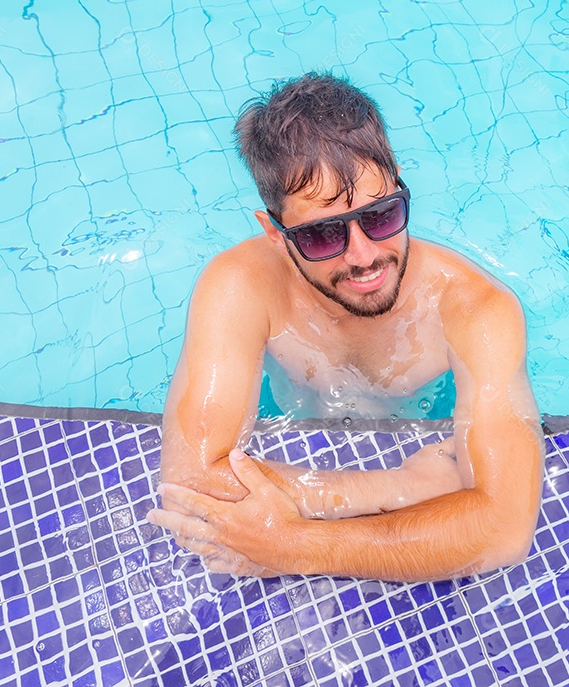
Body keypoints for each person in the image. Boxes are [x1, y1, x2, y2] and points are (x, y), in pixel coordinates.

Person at [145, 73, 543, 581]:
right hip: (345, 448)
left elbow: (505, 527)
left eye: (381, 216)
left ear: (399, 185)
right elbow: (189, 483)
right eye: (323, 234)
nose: (364, 256)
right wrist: (400, 488)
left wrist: (294, 546)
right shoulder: (241, 286)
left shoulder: (476, 309)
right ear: (275, 232)